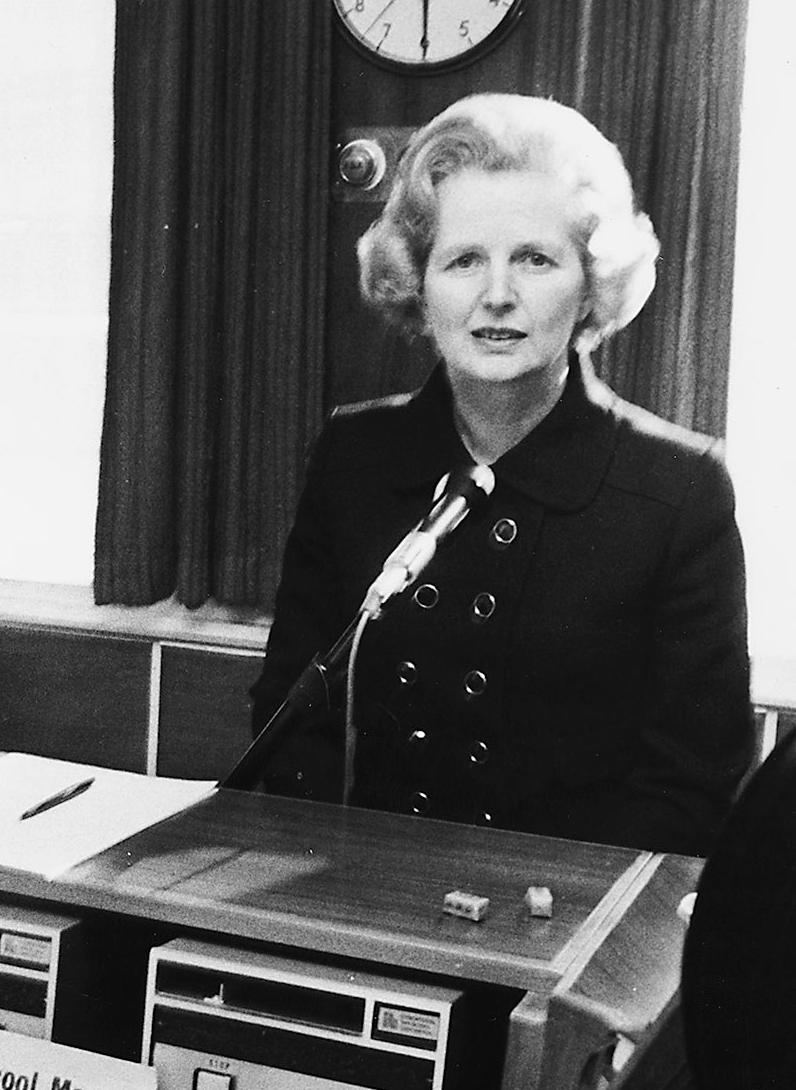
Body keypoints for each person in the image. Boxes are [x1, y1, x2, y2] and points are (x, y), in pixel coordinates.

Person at [251, 93, 751, 856]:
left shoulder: (681, 489)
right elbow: (288, 717)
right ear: (418, 282)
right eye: (463, 260)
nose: (496, 296)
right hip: (360, 910)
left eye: (535, 258)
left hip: (557, 939)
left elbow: (689, 789)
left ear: (591, 281)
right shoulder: (355, 454)